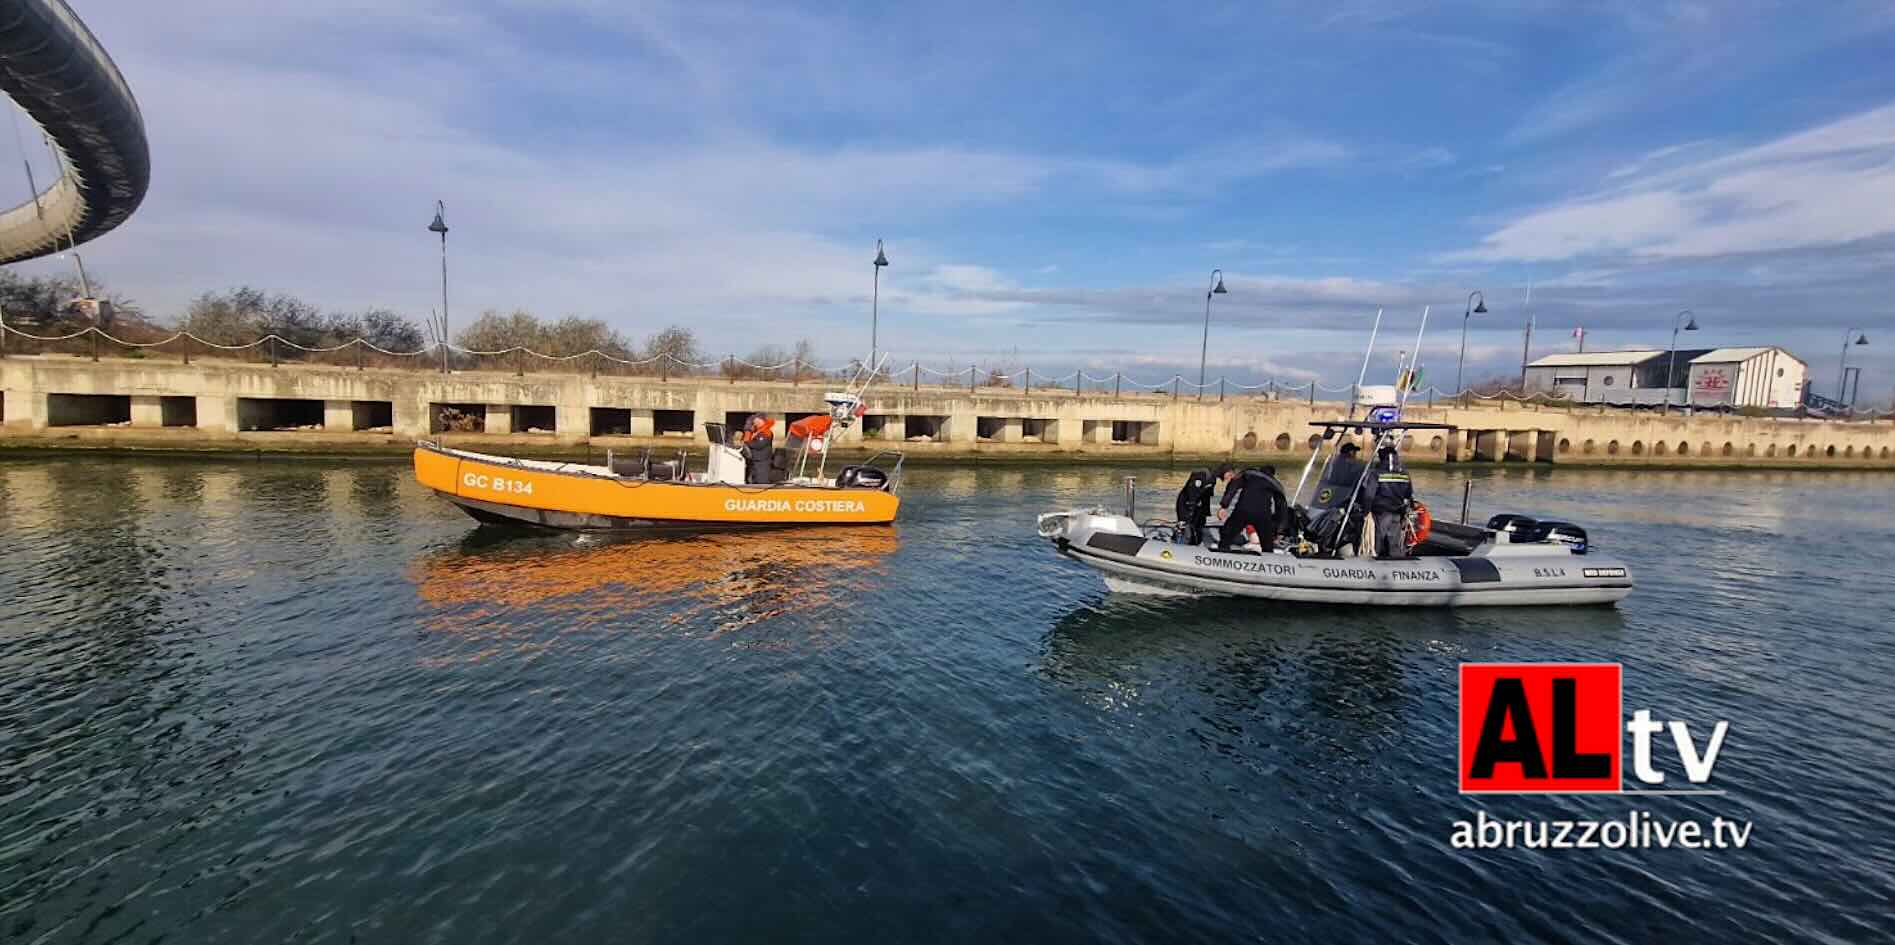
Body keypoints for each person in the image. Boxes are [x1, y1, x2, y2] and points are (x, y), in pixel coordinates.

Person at [1309, 442, 1371, 555]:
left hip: (1336, 499)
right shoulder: (1352, 465)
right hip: (1343, 500)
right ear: (1350, 453)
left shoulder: (1334, 464)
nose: (1355, 454)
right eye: (1354, 452)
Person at [1215, 464, 1289, 553]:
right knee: (1267, 545)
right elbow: (1282, 507)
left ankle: (1221, 552)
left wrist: (1224, 505)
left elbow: (1233, 485)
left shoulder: (1249, 473)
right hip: (1263, 515)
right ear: (1272, 474)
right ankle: (1269, 559)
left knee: (1226, 538)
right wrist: (1279, 528)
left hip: (1242, 510)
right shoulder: (1275, 483)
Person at [1370, 446, 1415, 559]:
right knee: (1394, 539)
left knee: (1378, 537)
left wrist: (1366, 511)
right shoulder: (1404, 472)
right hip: (1397, 511)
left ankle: (1376, 558)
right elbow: (1408, 493)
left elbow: (1368, 494)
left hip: (1381, 511)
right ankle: (1395, 561)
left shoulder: (1377, 472)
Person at [1174, 466, 1219, 545]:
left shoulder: (1212, 480)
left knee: (1199, 524)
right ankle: (1180, 541)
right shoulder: (1199, 477)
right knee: (1187, 526)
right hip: (1186, 504)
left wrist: (1206, 512)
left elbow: (1207, 496)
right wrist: (1191, 510)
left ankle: (1196, 542)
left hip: (1199, 505)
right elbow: (1191, 494)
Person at [740, 414, 775, 484]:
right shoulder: (757, 432)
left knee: (762, 482)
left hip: (762, 462)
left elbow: (759, 445)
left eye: (755, 422)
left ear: (761, 421)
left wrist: (747, 442)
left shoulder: (767, 432)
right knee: (755, 481)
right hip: (756, 461)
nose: (754, 424)